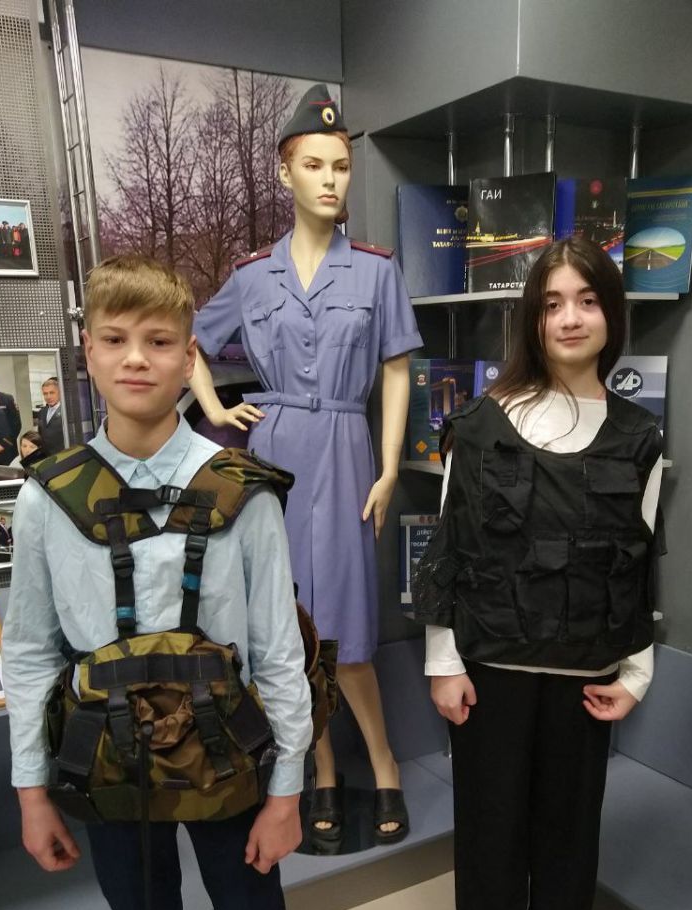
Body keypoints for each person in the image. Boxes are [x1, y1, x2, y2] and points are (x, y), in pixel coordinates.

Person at [1, 255, 314, 910]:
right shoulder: (46, 496)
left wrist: (287, 793)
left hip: (230, 760)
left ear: (189, 360)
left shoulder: (243, 492)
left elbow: (279, 655)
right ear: (89, 355)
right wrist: (31, 789)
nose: (137, 358)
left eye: (160, 341)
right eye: (115, 339)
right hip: (106, 762)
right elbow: (31, 653)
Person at [413, 238, 664, 910]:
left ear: (611, 314)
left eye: (587, 300)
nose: (570, 318)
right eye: (553, 303)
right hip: (491, 667)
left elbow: (640, 563)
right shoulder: (482, 424)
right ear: (532, 319)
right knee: (490, 824)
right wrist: (443, 661)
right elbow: (449, 549)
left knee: (569, 829)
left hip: (585, 673)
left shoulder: (640, 436)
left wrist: (637, 674)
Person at [189, 84, 423, 846]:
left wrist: (389, 467)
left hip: (348, 447)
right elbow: (189, 342)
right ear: (284, 173)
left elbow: (396, 369)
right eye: (315, 165)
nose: (330, 179)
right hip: (276, 449)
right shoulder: (253, 275)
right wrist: (218, 409)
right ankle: (318, 770)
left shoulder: (377, 271)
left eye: (342, 166)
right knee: (290, 630)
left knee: (348, 630)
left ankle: (383, 763)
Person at [34, 374, 65, 454]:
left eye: (52, 393)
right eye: (45, 393)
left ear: (59, 393)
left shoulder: (66, 411)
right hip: (46, 455)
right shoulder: (42, 412)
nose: (48, 397)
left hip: (62, 454)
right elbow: (40, 435)